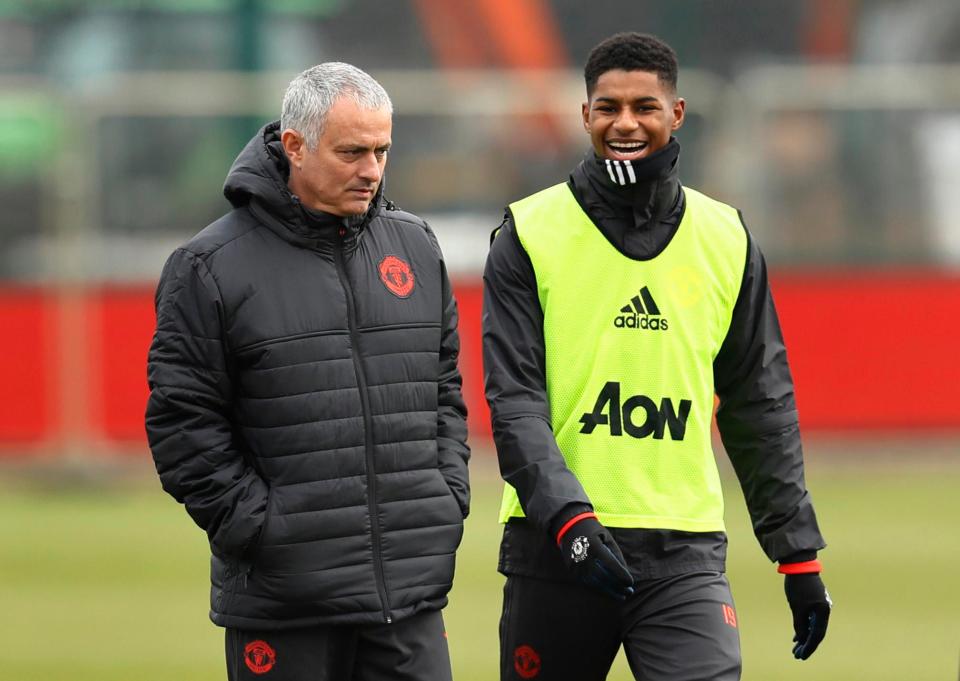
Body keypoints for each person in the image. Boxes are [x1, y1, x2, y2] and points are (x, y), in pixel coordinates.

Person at [483, 33, 831, 680]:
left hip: (683, 552)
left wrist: (798, 554)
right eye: (608, 106)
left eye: (645, 105)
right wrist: (570, 519)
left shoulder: (726, 236)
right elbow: (514, 402)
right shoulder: (529, 233)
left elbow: (760, 400)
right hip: (556, 548)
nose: (625, 122)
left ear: (676, 113)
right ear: (585, 115)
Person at [145, 62, 470, 681]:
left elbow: (444, 389)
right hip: (285, 600)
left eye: (381, 150)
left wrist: (444, 496)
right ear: (294, 146)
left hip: (410, 595)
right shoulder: (208, 266)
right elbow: (182, 422)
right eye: (352, 151)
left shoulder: (416, 247)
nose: (371, 169)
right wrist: (260, 529)